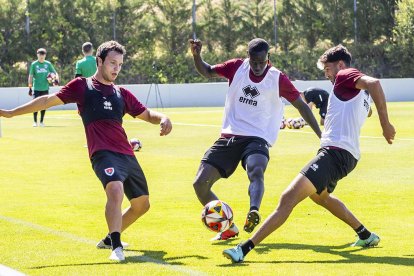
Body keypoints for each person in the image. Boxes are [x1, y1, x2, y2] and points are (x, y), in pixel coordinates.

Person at [0, 41, 172, 262]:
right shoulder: (82, 86)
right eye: (112, 63)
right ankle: (117, 247)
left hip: (126, 153)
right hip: (102, 152)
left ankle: (110, 238)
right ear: (99, 61)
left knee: (142, 205)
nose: (116, 68)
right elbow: (46, 100)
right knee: (116, 190)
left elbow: (147, 114)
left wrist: (163, 118)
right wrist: (11, 113)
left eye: (120, 64)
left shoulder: (122, 93)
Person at [223, 44, 396, 263]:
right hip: (347, 156)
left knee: (288, 198)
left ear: (341, 65)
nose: (327, 75)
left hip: (335, 153)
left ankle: (243, 249)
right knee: (319, 196)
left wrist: (386, 124)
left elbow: (375, 83)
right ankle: (365, 234)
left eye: (328, 69)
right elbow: (366, 107)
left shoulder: (344, 75)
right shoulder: (358, 93)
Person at [189, 38, 322, 241]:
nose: (258, 67)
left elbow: (302, 106)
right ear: (248, 57)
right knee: (200, 184)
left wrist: (321, 136)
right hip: (230, 136)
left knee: (256, 169)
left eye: (262, 62)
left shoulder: (277, 78)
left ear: (268, 57)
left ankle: (254, 211)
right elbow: (207, 71)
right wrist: (197, 55)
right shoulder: (236, 67)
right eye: (254, 62)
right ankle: (228, 228)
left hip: (258, 138)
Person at [28, 48, 60, 127]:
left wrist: (56, 80)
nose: (41, 56)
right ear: (37, 55)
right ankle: (35, 122)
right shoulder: (34, 64)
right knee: (35, 105)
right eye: (40, 54)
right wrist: (29, 87)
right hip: (36, 88)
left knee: (44, 105)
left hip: (45, 88)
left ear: (45, 55)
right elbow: (31, 76)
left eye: (43, 54)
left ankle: (41, 121)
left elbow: (55, 73)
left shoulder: (48, 64)